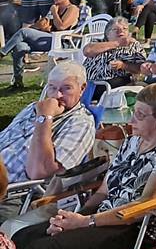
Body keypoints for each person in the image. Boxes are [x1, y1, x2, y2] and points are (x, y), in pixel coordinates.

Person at [12, 83, 156, 249]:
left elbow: (144, 207)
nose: (131, 120)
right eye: (134, 112)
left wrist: (85, 222)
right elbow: (103, 191)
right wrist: (74, 218)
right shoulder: (131, 143)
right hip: (102, 218)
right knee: (22, 237)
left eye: (140, 115)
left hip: (137, 229)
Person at [0, 62, 95, 224]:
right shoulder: (33, 108)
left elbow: (38, 171)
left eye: (66, 88)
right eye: (52, 87)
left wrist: (45, 118)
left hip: (14, 194)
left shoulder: (80, 123)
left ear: (82, 88)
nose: (57, 95)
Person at [1, 0, 80, 89]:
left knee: (23, 31)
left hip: (62, 41)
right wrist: (41, 24)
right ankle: (18, 82)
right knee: (19, 47)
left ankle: (2, 53)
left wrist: (54, 13)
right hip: (48, 38)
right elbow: (43, 24)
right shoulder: (54, 8)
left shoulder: (72, 9)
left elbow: (61, 26)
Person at [82, 18, 147, 98]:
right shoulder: (99, 42)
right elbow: (87, 51)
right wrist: (117, 43)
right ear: (107, 34)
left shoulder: (133, 45)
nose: (121, 31)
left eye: (124, 28)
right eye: (115, 29)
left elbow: (141, 68)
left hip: (112, 83)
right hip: (87, 81)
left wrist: (123, 65)